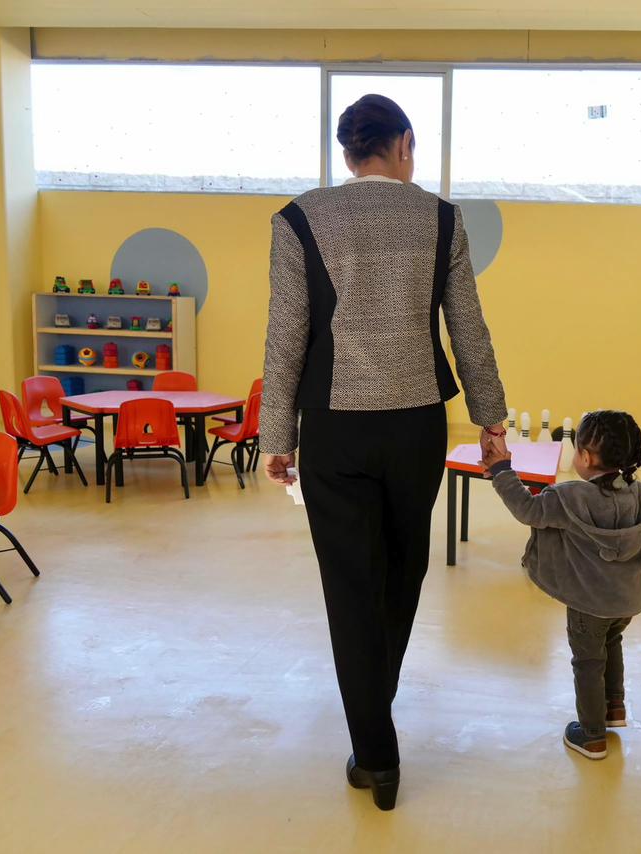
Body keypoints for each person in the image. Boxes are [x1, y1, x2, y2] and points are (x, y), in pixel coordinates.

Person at [259, 94, 508, 810]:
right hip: (416, 424)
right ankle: (378, 710)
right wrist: (490, 418)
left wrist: (277, 437)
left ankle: (375, 750)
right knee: (405, 567)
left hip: (333, 427)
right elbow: (469, 327)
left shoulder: (300, 219)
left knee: (349, 583)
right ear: (403, 144)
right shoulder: (440, 217)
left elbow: (286, 335)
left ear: (347, 154)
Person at [481, 410, 641, 760]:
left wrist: (502, 470)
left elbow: (527, 510)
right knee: (613, 641)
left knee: (588, 662)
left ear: (587, 458)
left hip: (588, 605)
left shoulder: (570, 498)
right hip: (628, 598)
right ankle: (614, 708)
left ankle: (592, 736)